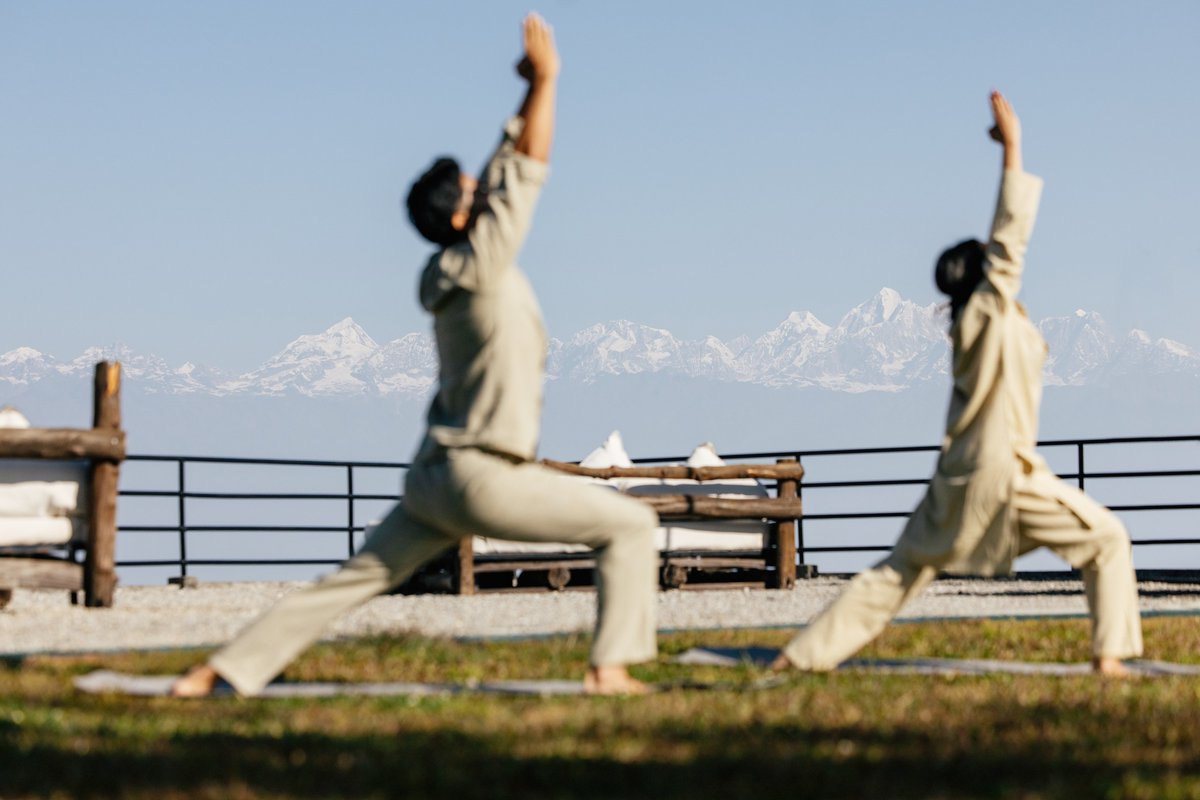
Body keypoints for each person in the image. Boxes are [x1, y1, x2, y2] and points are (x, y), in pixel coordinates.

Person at [172, 13, 659, 698]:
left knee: (354, 579)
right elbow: (525, 171)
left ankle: (220, 672)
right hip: (483, 476)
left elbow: (501, 166)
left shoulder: (455, 265)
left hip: (433, 477)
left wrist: (523, 97)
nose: (480, 188)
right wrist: (549, 81)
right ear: (461, 218)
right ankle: (609, 670)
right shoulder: (485, 260)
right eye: (468, 191)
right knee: (629, 526)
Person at [771, 91, 1143, 677]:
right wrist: (1014, 147)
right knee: (1108, 539)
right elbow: (1009, 241)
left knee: (895, 575)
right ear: (982, 279)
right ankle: (1110, 661)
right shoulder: (986, 314)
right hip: (1004, 477)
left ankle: (798, 658)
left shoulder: (984, 325)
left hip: (960, 480)